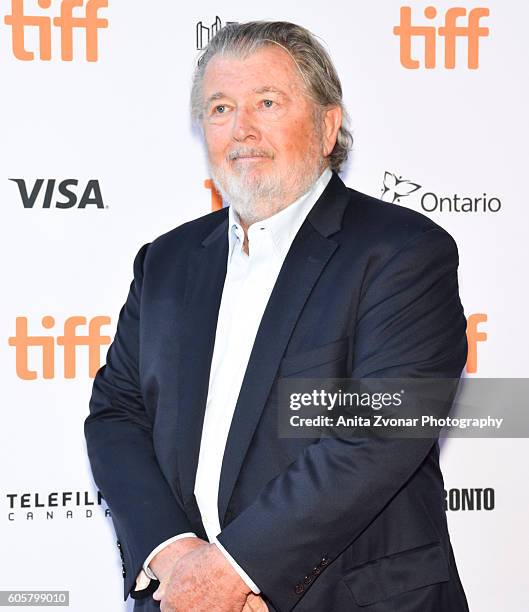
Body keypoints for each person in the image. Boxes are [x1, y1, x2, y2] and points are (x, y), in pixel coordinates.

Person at [84, 20, 470, 612]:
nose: (242, 129)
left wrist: (237, 570)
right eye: (219, 108)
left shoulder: (403, 252)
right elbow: (117, 414)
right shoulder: (166, 261)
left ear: (327, 126)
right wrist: (173, 555)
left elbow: (379, 433)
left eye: (267, 102)